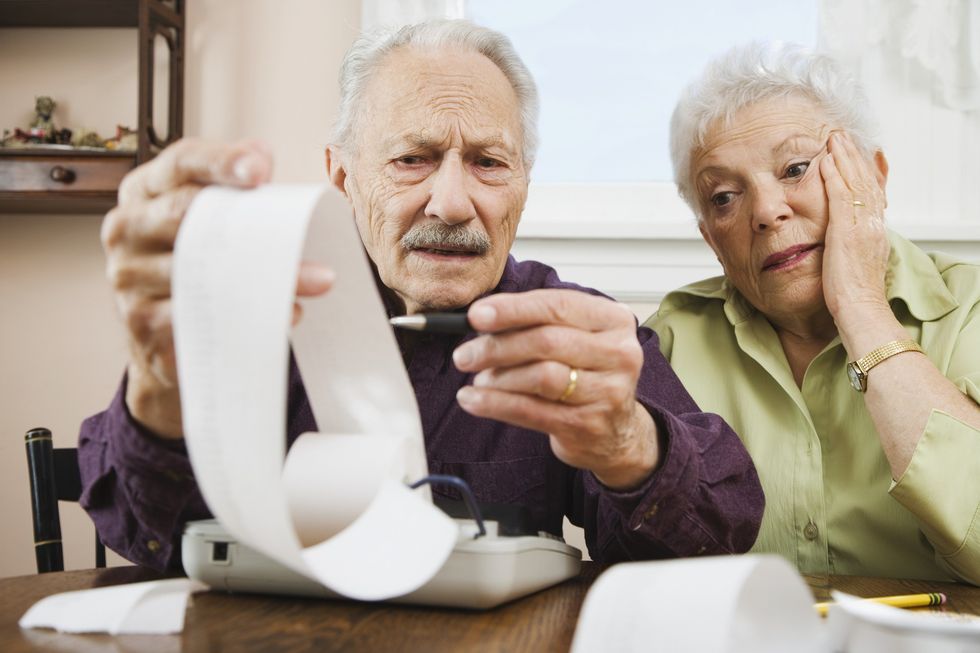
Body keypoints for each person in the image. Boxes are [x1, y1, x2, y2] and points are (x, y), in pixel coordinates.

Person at [79, 20, 763, 572]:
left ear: (524, 180)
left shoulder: (575, 334)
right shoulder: (260, 312)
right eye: (413, 158)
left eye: (489, 163)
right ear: (341, 174)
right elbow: (148, 538)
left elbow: (711, 540)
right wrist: (160, 382)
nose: (453, 201)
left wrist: (627, 444)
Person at [646, 43, 980, 584]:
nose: (766, 211)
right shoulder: (670, 344)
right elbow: (652, 572)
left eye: (796, 169)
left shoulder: (969, 313)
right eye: (726, 197)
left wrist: (862, 306)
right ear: (711, 238)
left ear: (872, 179)